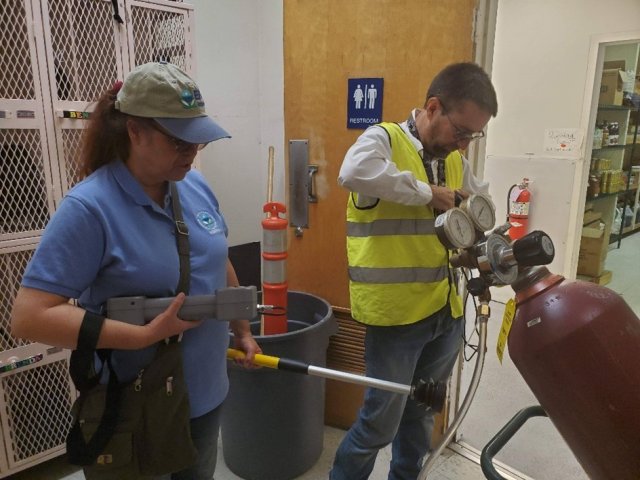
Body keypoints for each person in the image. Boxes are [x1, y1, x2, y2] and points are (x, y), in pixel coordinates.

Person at [11, 61, 261, 479]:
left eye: (197, 142)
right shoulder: (90, 208)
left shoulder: (194, 186)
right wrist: (142, 336)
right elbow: (30, 316)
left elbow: (215, 259)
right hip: (133, 404)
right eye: (179, 142)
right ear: (134, 131)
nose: (192, 153)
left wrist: (243, 330)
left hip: (204, 394)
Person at [331, 62, 498, 480]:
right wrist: (428, 193)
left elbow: (479, 201)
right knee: (378, 425)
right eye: (460, 131)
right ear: (433, 106)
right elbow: (352, 172)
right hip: (396, 318)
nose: (463, 144)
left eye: (472, 136)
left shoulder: (456, 160)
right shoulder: (384, 139)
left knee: (421, 417)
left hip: (445, 311)